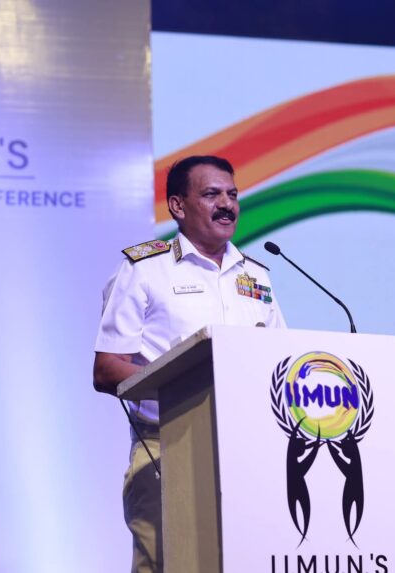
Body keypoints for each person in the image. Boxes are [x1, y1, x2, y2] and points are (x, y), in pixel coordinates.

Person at [93, 155, 286, 573]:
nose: (227, 204)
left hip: (248, 453)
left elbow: (278, 362)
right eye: (212, 194)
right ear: (178, 206)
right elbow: (107, 368)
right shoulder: (144, 269)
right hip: (169, 447)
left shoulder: (256, 276)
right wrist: (186, 385)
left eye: (232, 194)